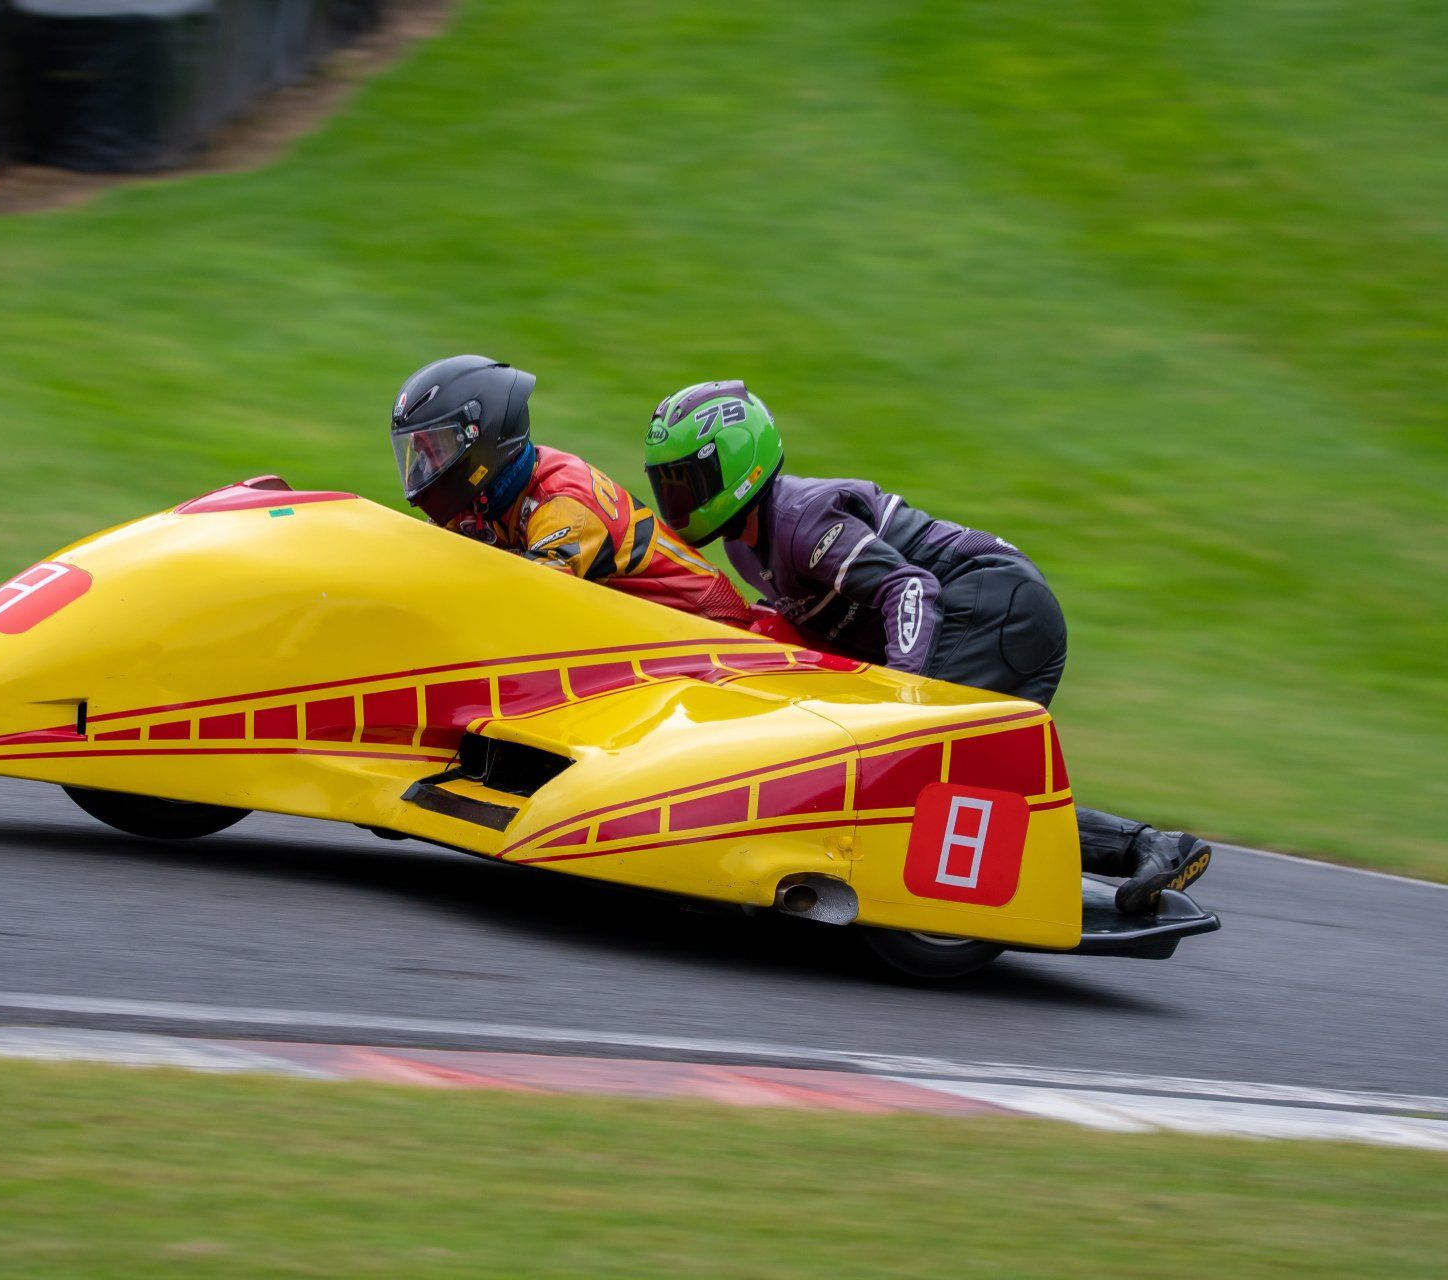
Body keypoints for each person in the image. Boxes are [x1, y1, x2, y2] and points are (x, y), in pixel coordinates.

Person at [639, 379, 1210, 915]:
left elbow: (911, 587)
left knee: (922, 770)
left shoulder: (801, 521)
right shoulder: (746, 545)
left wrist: (902, 697)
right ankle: (1152, 848)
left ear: (737, 465)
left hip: (996, 606)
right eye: (667, 485)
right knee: (959, 787)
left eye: (686, 482)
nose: (677, 499)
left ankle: (1136, 848)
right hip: (977, 610)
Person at [389, 355, 755, 627]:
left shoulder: (563, 501)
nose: (425, 466)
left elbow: (524, 604)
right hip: (640, 632)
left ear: (481, 437)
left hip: (713, 629)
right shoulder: (486, 497)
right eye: (419, 453)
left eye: (437, 449)